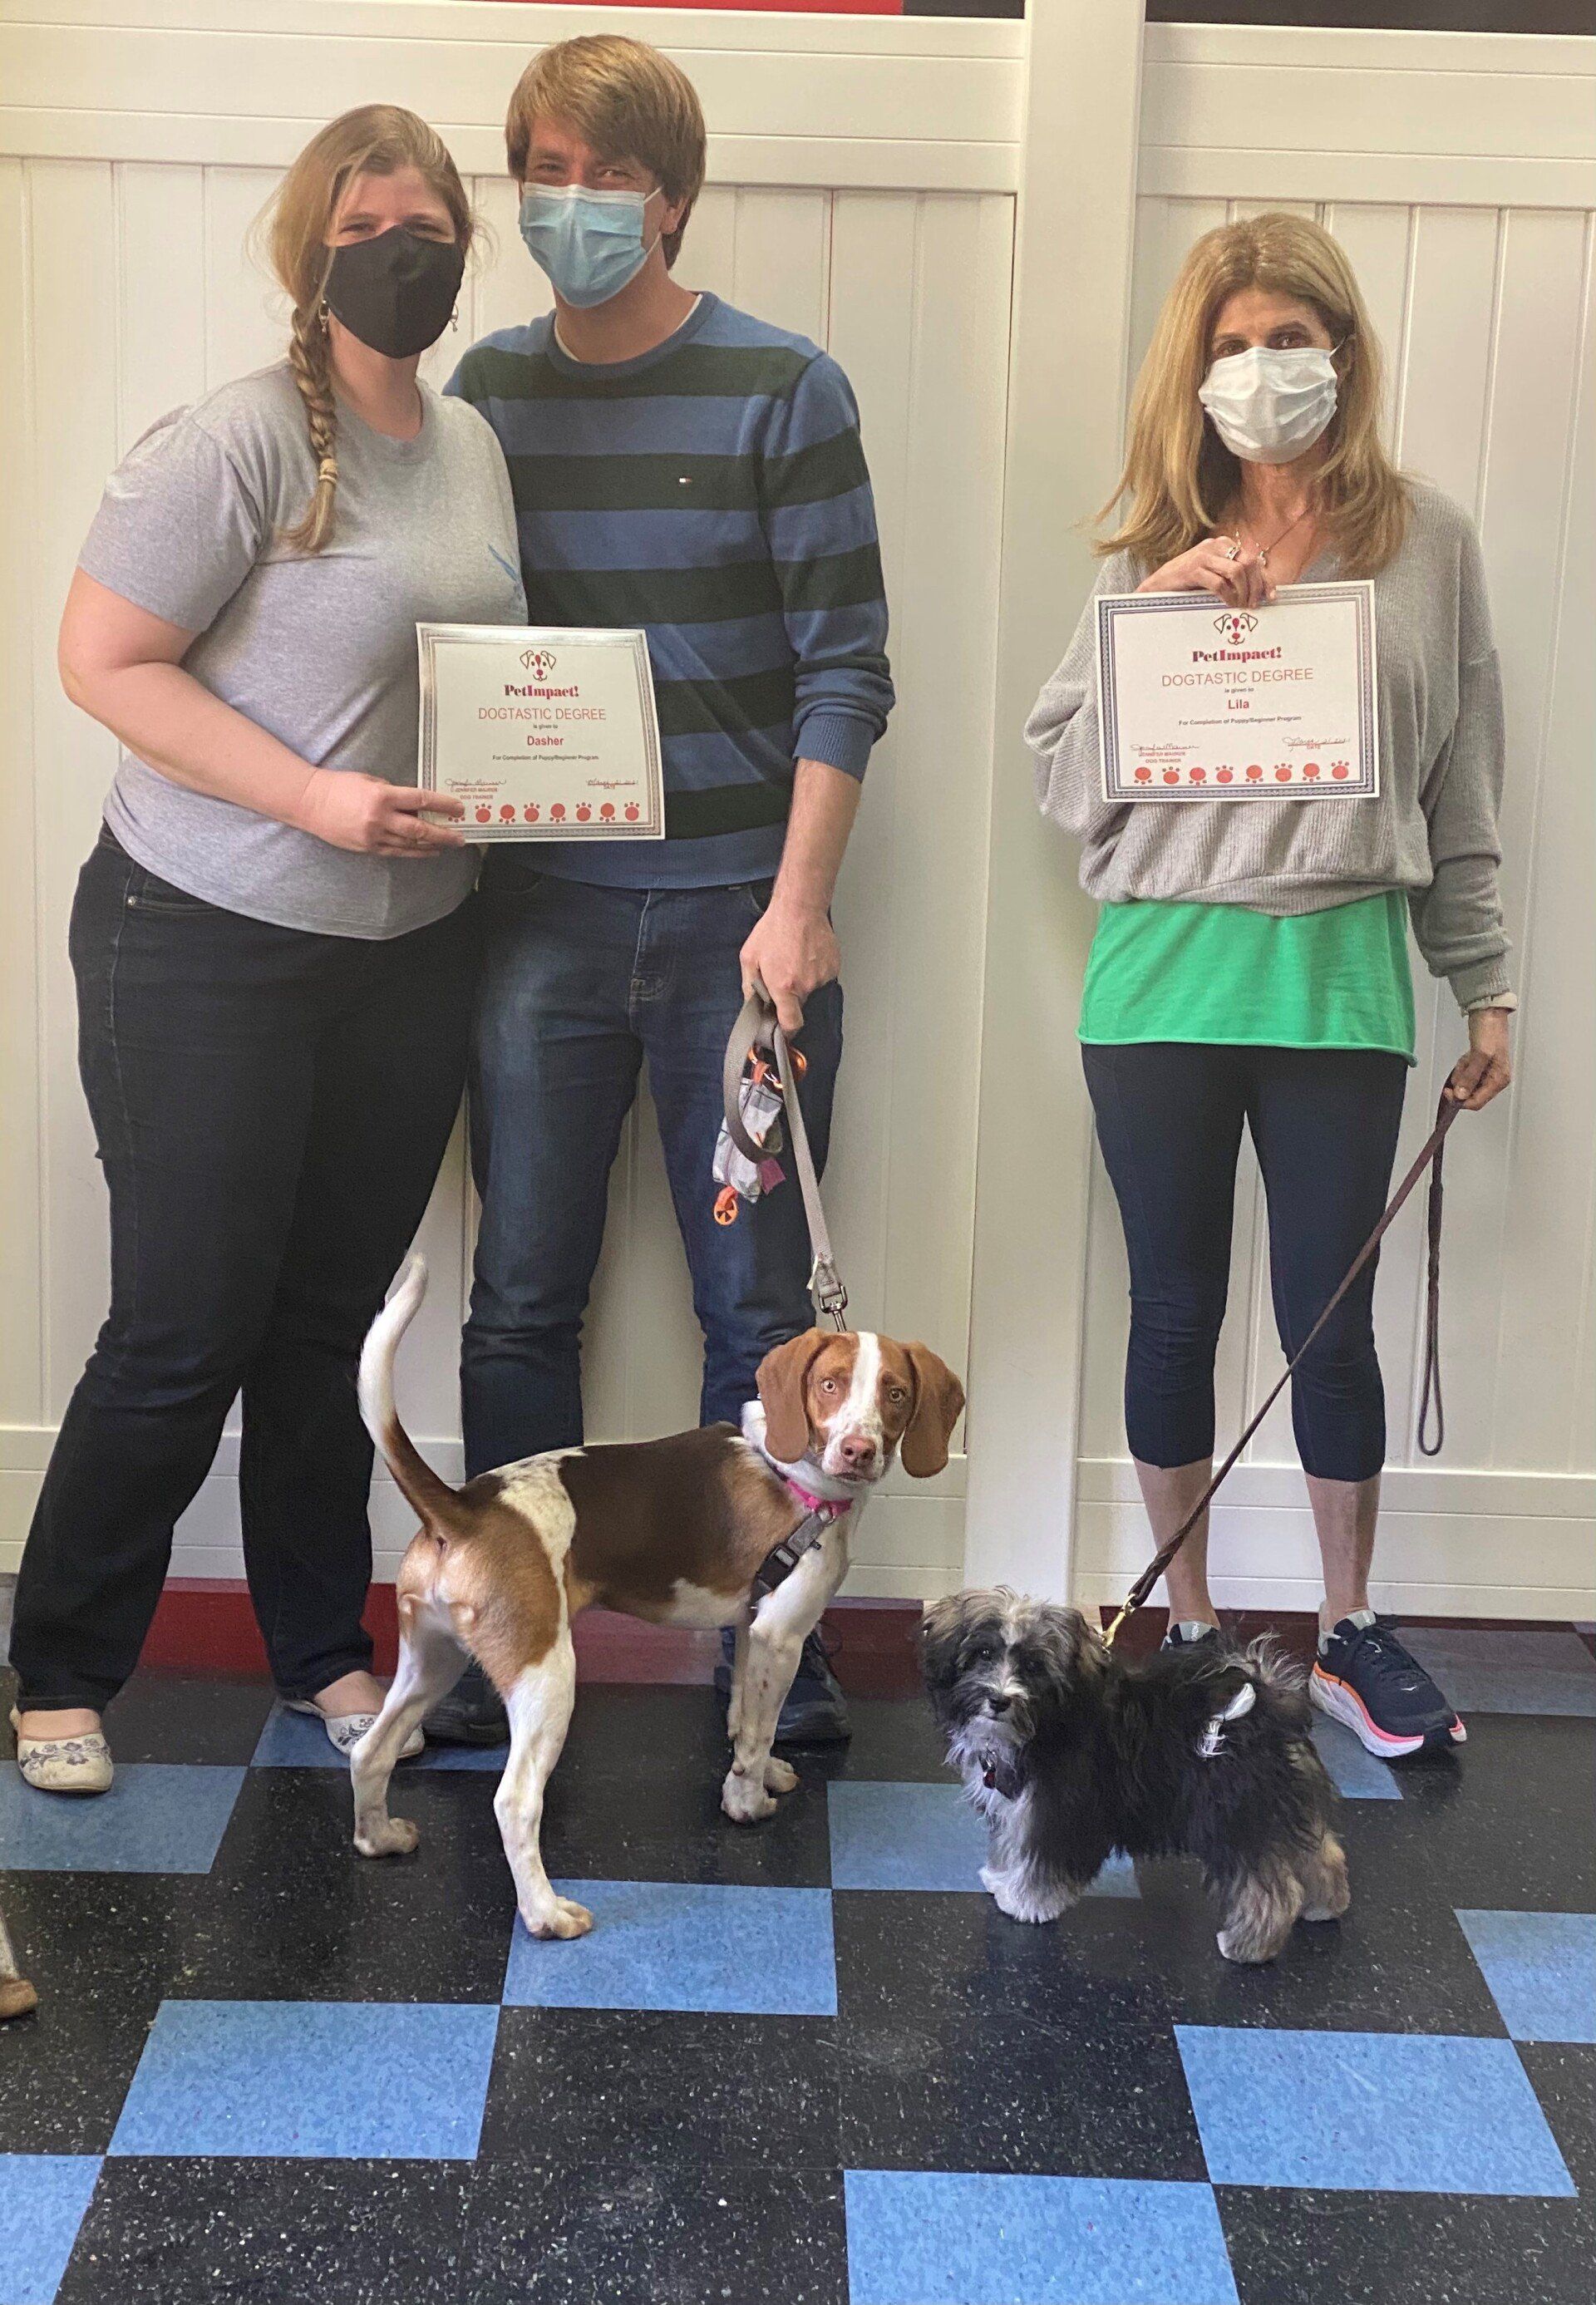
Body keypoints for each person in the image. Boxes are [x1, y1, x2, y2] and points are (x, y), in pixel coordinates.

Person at [7, 107, 526, 1794]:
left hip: (408, 954)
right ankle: (61, 1667)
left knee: (325, 1330)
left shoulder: (471, 446)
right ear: (310, 255)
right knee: (183, 1324)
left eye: (431, 222)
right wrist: (315, 796)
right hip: (199, 939)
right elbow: (104, 658)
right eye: (369, 223)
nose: (406, 249)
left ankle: (321, 1650)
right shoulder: (227, 444)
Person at [428, 34, 894, 1750]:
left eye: (608, 174)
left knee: (756, 1313)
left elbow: (849, 667)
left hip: (738, 928)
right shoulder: (483, 389)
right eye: (544, 167)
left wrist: (801, 902)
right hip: (535, 915)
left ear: (673, 195)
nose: (573, 202)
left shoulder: (787, 386)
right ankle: (500, 1619)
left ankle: (770, 1642)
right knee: (523, 1294)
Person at [1026, 213, 1513, 1760]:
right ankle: (1187, 1632)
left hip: (1342, 987)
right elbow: (1063, 780)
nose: (1260, 368)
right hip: (1161, 979)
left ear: (1344, 355)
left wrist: (1485, 987)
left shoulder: (1426, 546)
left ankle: (1354, 1629)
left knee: (1330, 1317)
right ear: (1196, 369)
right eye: (1230, 345)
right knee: (1173, 1312)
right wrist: (1159, 614)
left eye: (1288, 339)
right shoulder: (1147, 544)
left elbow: (1463, 786)